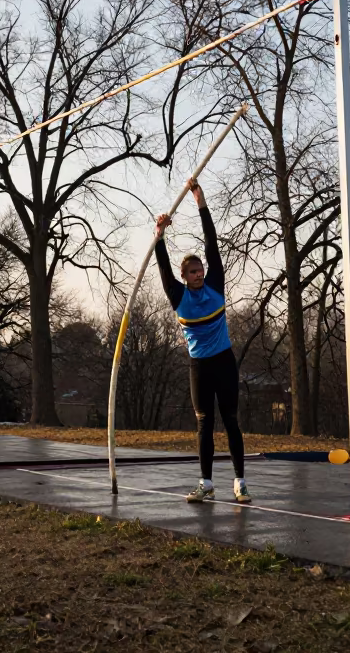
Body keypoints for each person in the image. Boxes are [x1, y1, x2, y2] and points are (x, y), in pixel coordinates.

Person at [154, 177, 249, 504]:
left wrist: (201, 202)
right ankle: (206, 483)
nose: (198, 273)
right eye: (192, 272)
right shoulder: (178, 296)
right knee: (204, 424)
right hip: (199, 367)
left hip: (224, 361)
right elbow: (163, 265)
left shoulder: (215, 285)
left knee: (231, 420)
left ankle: (240, 482)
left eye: (200, 270)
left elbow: (211, 243)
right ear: (184, 277)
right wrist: (160, 233)